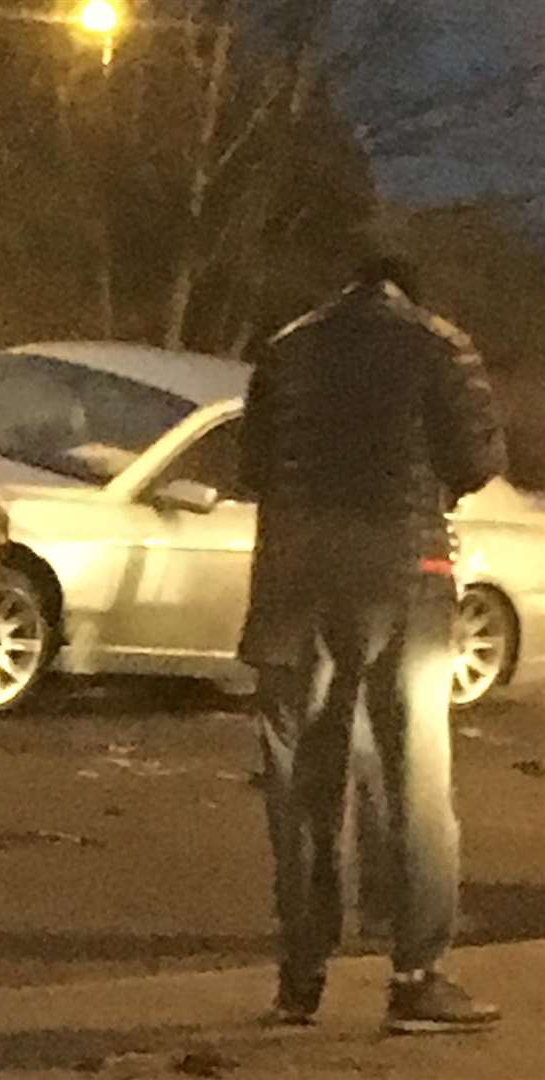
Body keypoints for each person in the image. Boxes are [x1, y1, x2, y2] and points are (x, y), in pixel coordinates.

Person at [237, 255, 508, 1034]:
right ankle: (417, 975)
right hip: (404, 574)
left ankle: (301, 979)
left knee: (301, 784)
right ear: (409, 291)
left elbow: (252, 467)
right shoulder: (439, 344)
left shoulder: (285, 349)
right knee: (414, 773)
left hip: (293, 576)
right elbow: (480, 460)